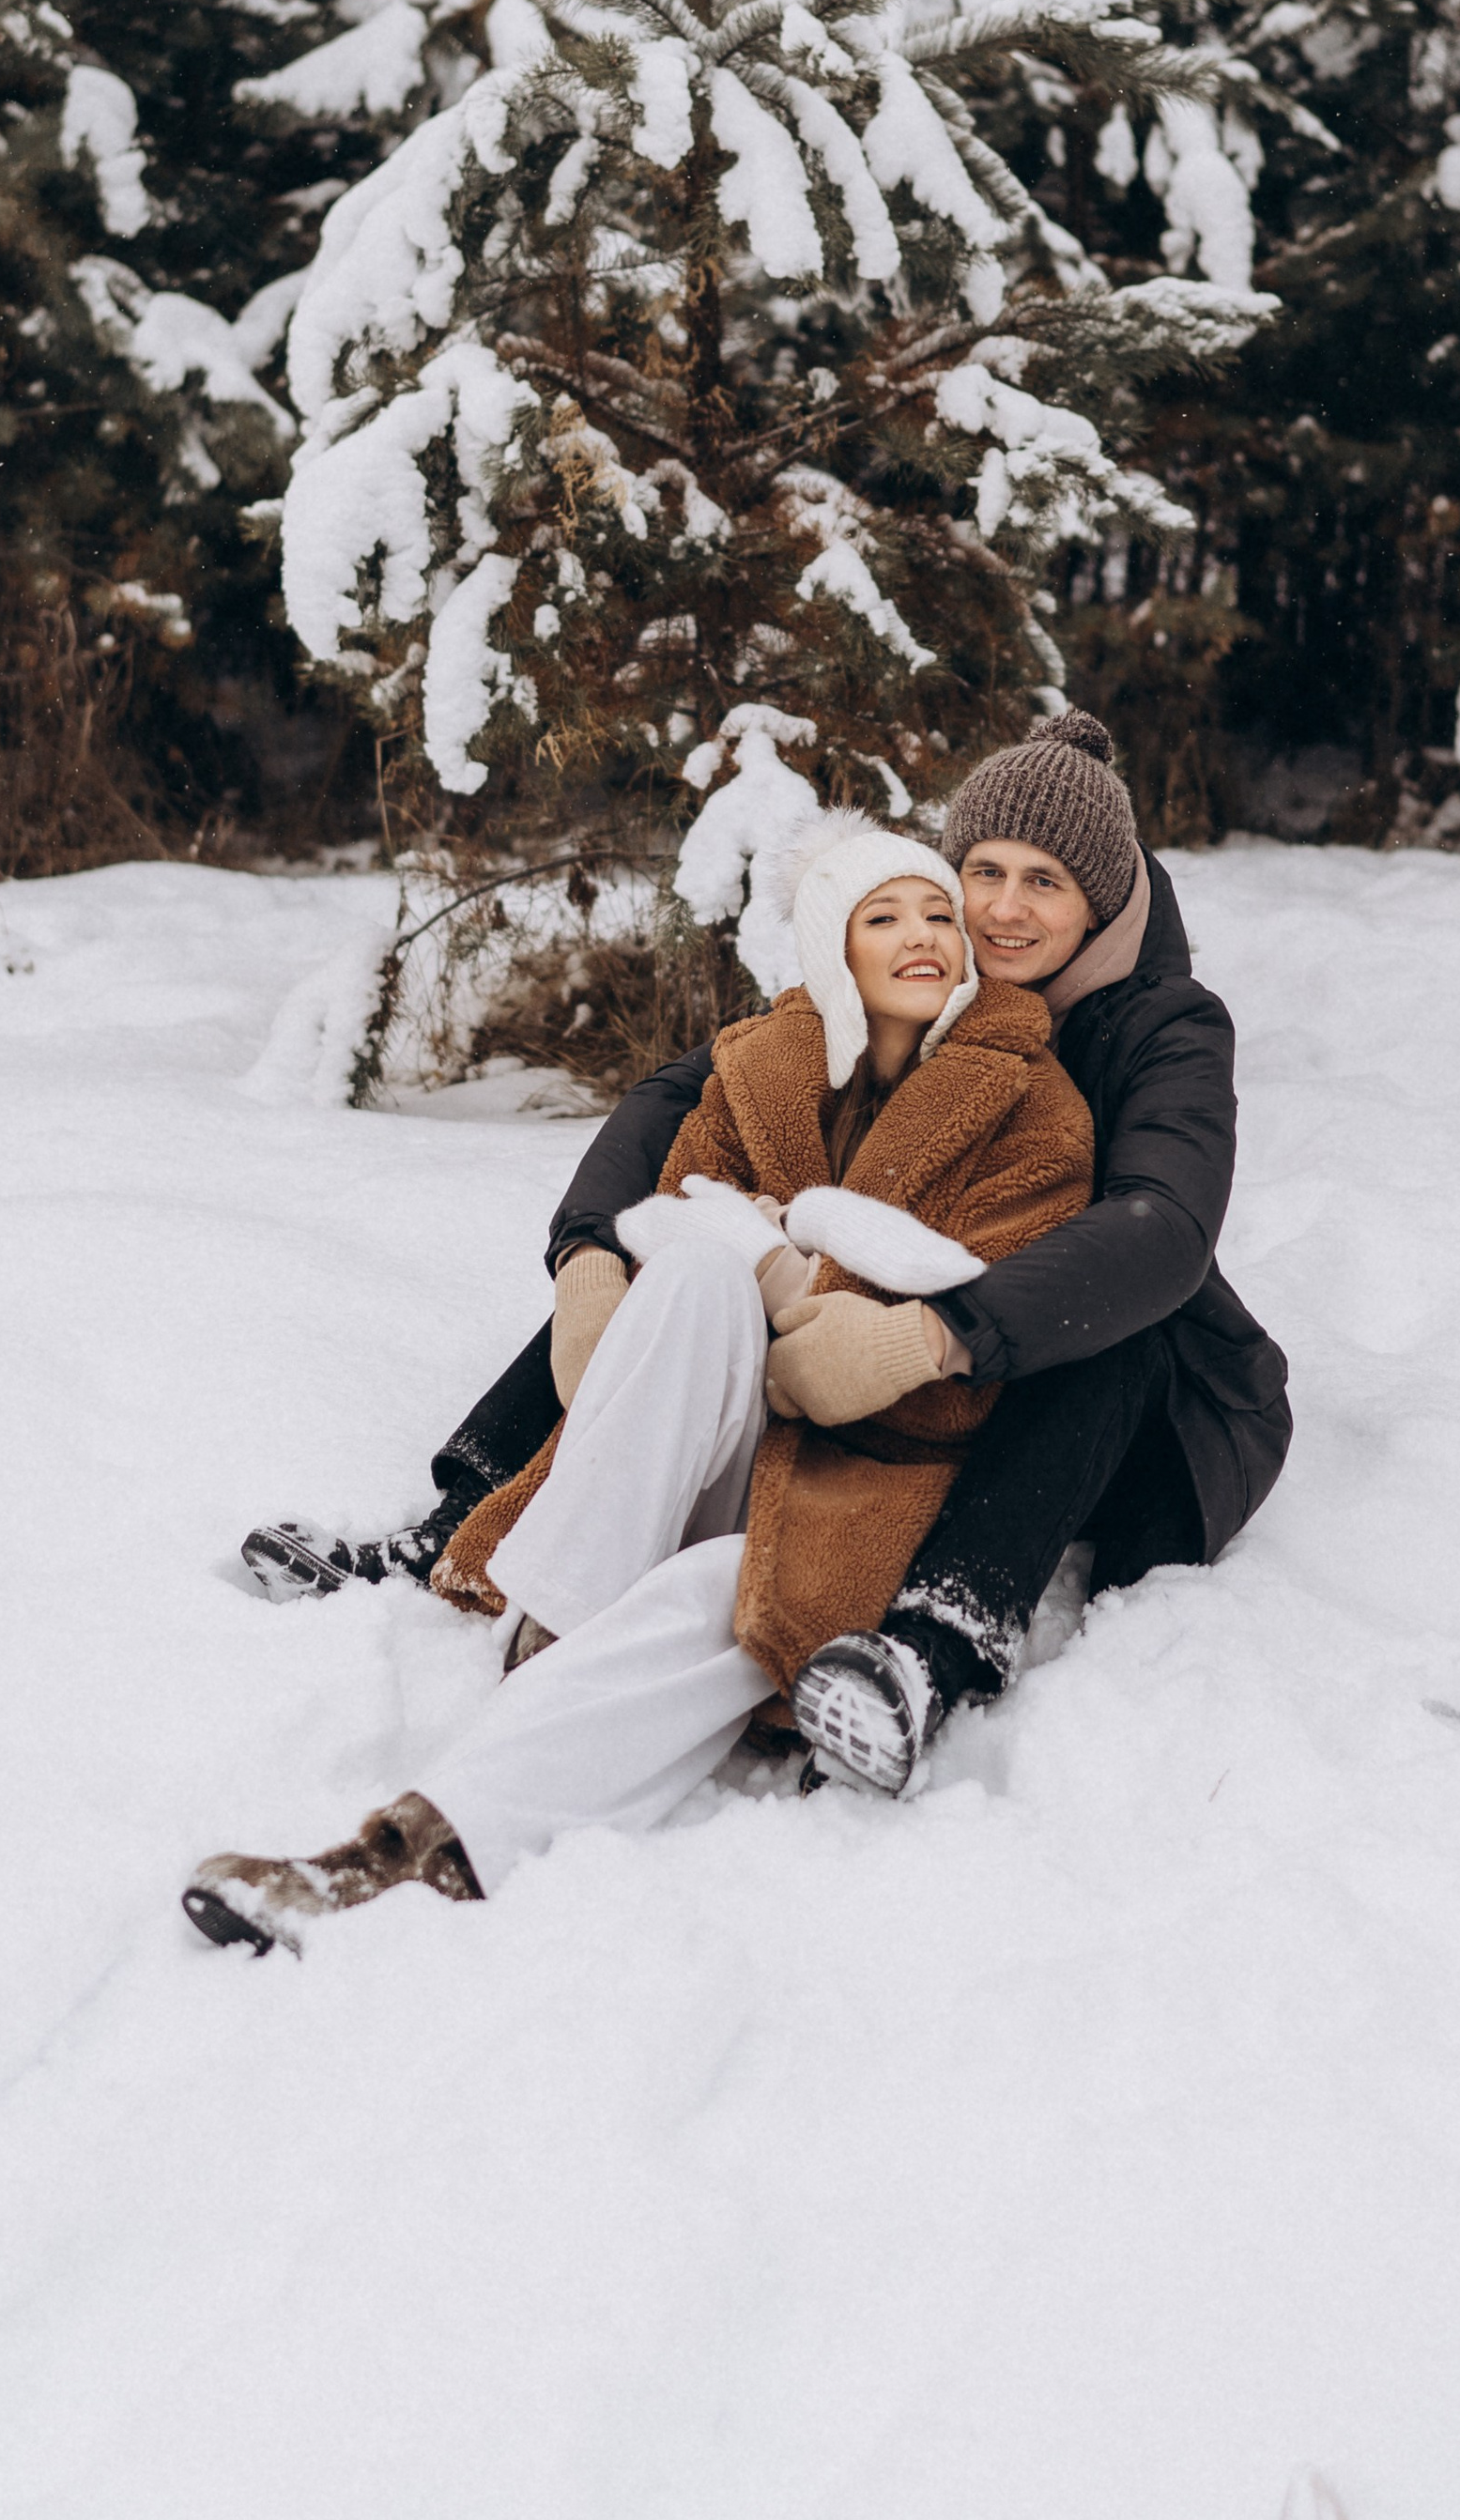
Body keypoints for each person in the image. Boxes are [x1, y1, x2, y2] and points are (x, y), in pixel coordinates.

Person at [241, 708, 1292, 1801]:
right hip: (913, 1330)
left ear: (1103, 901)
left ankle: (931, 1649)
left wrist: (936, 1335)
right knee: (688, 1239)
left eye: (1046, 882)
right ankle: (450, 1530)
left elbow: (1163, 1230)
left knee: (1097, 1327)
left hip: (1150, 1405)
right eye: (984, 870)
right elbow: (691, 1092)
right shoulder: (932, 968)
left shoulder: (1166, 1023)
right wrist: (592, 1257)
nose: (1004, 909)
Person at [183, 819, 1095, 1950]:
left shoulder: (1036, 1111)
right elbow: (676, 1225)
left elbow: (973, 1360)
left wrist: (826, 1309)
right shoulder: (758, 1071)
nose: (925, 936)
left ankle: (412, 1851)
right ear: (832, 951)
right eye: (884, 917)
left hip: (859, 1475)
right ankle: (559, 1632)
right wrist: (713, 1273)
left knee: (730, 1583)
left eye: (938, 916)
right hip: (702, 1442)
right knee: (701, 1272)